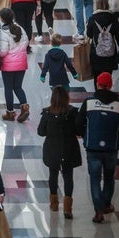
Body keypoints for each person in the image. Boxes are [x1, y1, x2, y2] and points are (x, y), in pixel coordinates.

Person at [75, 72, 119, 223]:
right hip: (111, 148)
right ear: (111, 85)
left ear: (97, 84)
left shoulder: (89, 102)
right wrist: (118, 138)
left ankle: (98, 210)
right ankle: (106, 205)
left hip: (93, 147)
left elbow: (78, 124)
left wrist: (84, 135)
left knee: (94, 179)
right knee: (109, 178)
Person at [37, 86, 81, 219]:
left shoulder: (47, 113)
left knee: (53, 174)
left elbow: (41, 132)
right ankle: (68, 208)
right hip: (69, 148)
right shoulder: (73, 113)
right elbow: (79, 130)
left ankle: (54, 203)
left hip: (52, 149)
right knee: (68, 176)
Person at [0, 8, 29, 122]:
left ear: (2, 19)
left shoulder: (3, 32)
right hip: (21, 63)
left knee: (8, 88)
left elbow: (3, 51)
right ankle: (25, 108)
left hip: (8, 65)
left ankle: (10, 113)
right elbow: (26, 42)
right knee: (18, 87)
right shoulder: (20, 28)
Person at [86, 0, 119, 90]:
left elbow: (88, 34)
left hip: (96, 52)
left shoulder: (93, 18)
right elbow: (118, 34)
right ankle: (107, 92)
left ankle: (98, 94)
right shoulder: (113, 18)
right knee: (107, 76)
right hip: (110, 52)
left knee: (96, 76)